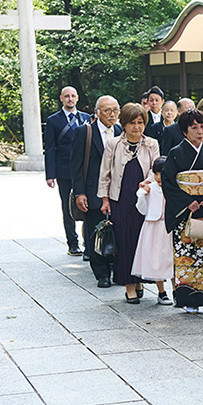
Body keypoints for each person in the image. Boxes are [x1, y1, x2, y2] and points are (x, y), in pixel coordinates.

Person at [162, 109, 203, 313]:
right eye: (194, 127)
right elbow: (169, 183)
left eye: (202, 126)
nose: (199, 131)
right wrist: (187, 201)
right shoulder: (175, 153)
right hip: (186, 213)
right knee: (186, 257)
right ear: (184, 131)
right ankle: (190, 300)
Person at [98, 103, 159, 303]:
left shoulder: (151, 143)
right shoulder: (114, 144)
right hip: (121, 198)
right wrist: (105, 199)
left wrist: (148, 183)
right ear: (123, 124)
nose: (136, 127)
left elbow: (155, 168)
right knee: (125, 241)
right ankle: (129, 286)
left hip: (144, 197)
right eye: (132, 123)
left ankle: (140, 279)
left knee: (142, 240)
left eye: (140, 122)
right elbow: (105, 173)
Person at [71, 95, 121, 288]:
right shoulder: (85, 132)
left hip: (116, 190)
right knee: (95, 231)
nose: (112, 114)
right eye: (107, 110)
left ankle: (117, 269)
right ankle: (101, 273)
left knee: (116, 230)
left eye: (115, 110)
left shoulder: (120, 131)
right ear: (97, 112)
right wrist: (79, 192)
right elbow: (75, 165)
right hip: (93, 191)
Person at [44, 86, 89, 256]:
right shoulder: (53, 120)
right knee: (68, 207)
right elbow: (49, 148)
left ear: (77, 98)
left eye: (73, 96)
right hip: (64, 171)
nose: (70, 99)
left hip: (84, 170)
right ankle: (73, 243)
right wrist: (50, 174)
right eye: (67, 96)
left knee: (89, 206)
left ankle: (89, 243)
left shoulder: (86, 118)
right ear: (61, 98)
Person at [132, 157, 173, 305]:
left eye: (162, 173)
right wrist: (141, 195)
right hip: (154, 227)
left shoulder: (174, 187)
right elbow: (142, 210)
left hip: (169, 228)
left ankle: (176, 291)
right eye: (156, 174)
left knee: (171, 259)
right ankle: (162, 292)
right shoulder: (150, 188)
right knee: (157, 260)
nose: (159, 178)